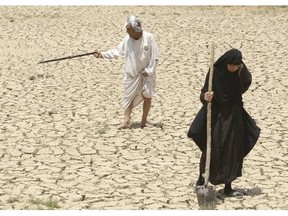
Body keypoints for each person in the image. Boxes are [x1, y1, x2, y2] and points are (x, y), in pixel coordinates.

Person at [187, 48, 261, 196]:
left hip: (234, 117)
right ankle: (202, 181)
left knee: (232, 152)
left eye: (236, 65)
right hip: (217, 115)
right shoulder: (215, 72)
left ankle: (228, 187)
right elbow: (203, 93)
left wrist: (241, 70)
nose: (233, 68)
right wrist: (206, 96)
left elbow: (245, 84)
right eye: (231, 65)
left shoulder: (240, 72)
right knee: (212, 148)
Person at [93, 15, 159, 129]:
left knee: (148, 96)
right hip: (132, 75)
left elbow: (155, 57)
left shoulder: (149, 38)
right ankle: (126, 121)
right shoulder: (127, 40)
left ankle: (144, 121)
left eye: (128, 29)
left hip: (146, 75)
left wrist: (148, 71)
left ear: (135, 30)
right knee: (128, 98)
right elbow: (117, 51)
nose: (126, 31)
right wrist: (102, 55)